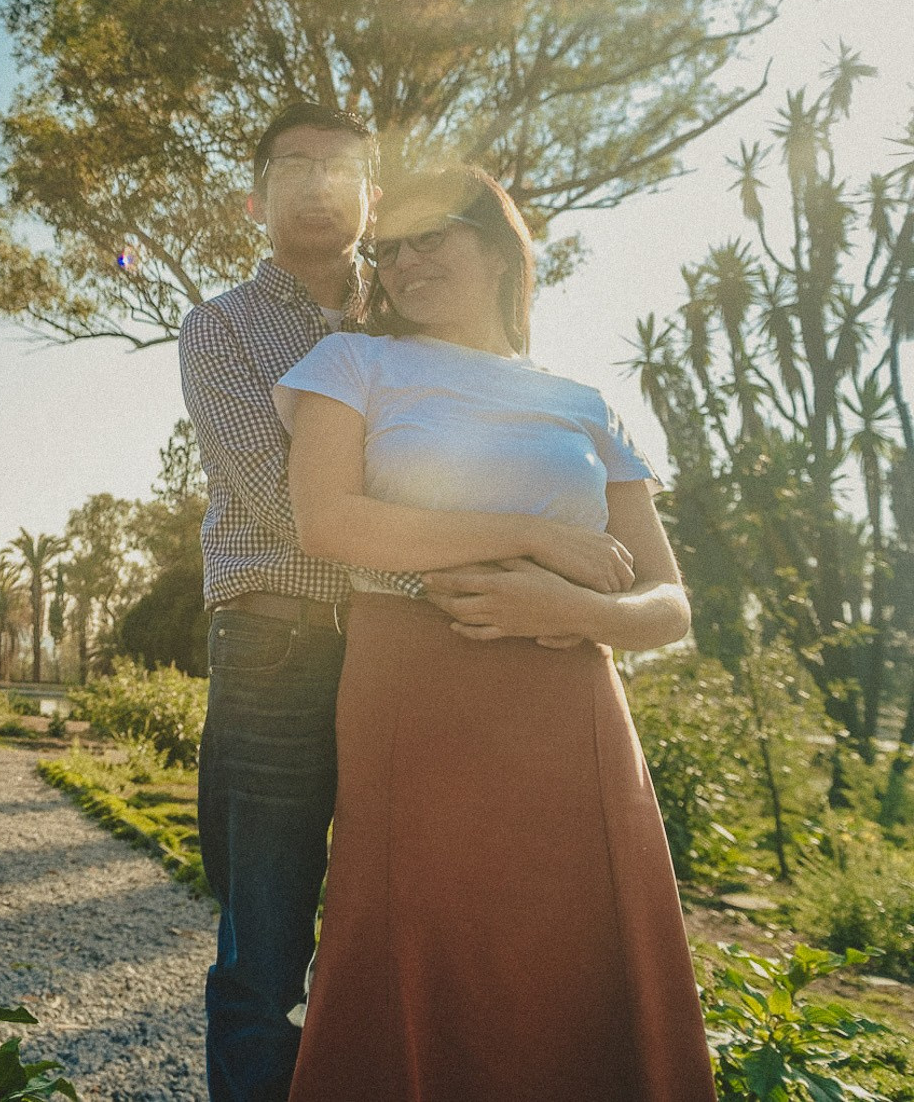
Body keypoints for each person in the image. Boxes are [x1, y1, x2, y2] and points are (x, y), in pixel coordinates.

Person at [274, 165, 715, 1101]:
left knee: (581, 957)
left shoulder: (583, 402)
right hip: (416, 690)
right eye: (389, 248)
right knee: (411, 945)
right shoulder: (352, 363)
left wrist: (580, 612)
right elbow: (330, 522)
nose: (404, 261)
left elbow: (671, 602)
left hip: (574, 709)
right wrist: (532, 536)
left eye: (431, 237)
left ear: (501, 251)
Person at [179, 100, 410, 1102]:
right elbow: (291, 508)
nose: (314, 183)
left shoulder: (419, 318)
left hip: (405, 658)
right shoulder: (217, 327)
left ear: (372, 195)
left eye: (338, 167)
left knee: (403, 934)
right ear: (254, 195)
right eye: (291, 165)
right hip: (274, 652)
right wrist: (458, 566)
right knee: (264, 951)